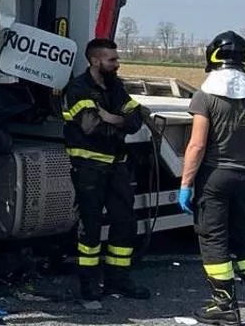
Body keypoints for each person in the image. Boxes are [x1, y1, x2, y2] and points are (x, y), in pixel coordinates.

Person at [178, 30, 245, 325]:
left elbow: (196, 145)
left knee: (214, 240)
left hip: (214, 178)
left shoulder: (205, 95)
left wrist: (185, 184)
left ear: (212, 57)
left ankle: (223, 305)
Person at [60, 37, 151, 302]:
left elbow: (137, 120)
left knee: (125, 223)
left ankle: (118, 281)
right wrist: (119, 122)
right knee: (90, 227)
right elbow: (91, 127)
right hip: (89, 168)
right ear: (95, 60)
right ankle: (89, 287)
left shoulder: (115, 87)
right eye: (112, 60)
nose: (117, 64)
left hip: (117, 167)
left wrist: (114, 118)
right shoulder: (78, 88)